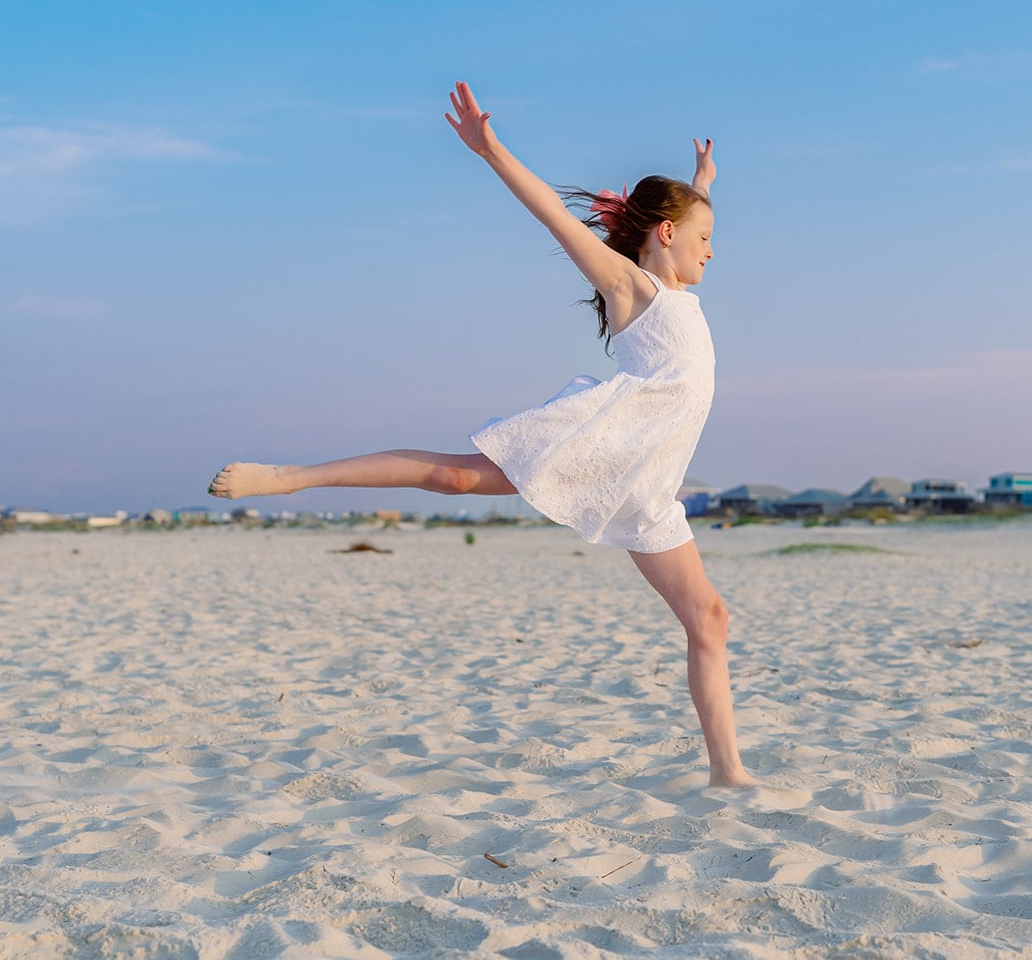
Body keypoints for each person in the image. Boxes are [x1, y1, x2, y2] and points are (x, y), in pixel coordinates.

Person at [208, 81, 752, 788]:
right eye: (705, 238)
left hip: (648, 484)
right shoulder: (633, 289)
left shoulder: (678, 289)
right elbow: (554, 213)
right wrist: (491, 148)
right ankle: (286, 476)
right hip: (605, 447)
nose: (714, 252)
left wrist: (703, 181)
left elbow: (688, 221)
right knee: (456, 476)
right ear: (668, 234)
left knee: (710, 619)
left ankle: (728, 776)